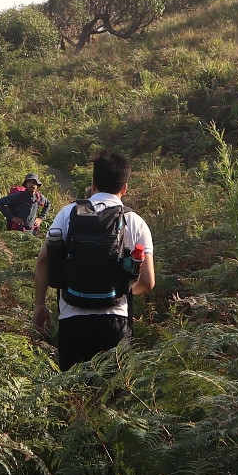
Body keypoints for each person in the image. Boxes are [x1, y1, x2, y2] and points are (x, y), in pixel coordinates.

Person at [34, 151, 155, 370]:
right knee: (111, 388)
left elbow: (43, 260)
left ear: (93, 185)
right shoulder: (136, 222)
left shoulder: (67, 213)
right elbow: (148, 281)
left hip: (72, 318)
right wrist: (119, 288)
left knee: (74, 386)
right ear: (125, 188)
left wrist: (40, 305)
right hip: (115, 321)